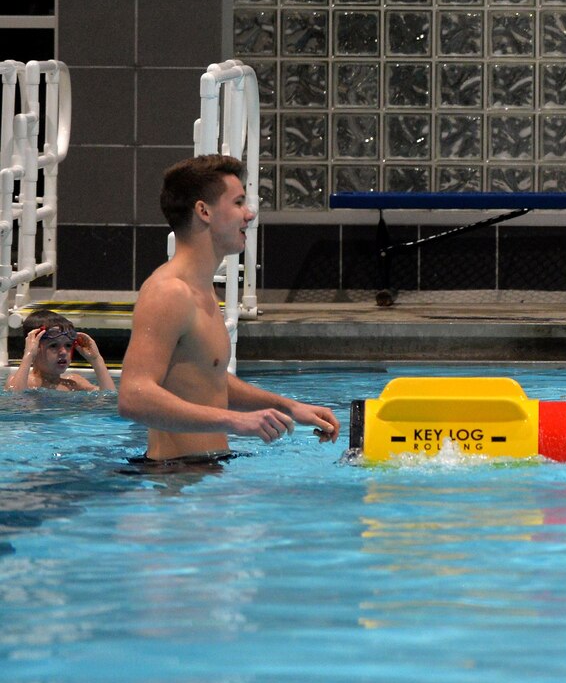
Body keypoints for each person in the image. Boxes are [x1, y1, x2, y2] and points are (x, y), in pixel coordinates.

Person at [118, 155, 339, 460]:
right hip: (176, 483)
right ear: (203, 211)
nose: (248, 215)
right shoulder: (168, 292)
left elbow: (208, 378)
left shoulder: (203, 289)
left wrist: (288, 406)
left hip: (206, 472)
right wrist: (235, 421)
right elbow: (133, 396)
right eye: (237, 203)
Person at [7, 310, 115, 392]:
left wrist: (96, 360)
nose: (63, 352)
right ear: (34, 347)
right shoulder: (25, 382)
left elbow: (108, 397)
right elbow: (16, 399)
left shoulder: (73, 383)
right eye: (53, 345)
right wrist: (29, 355)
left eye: (68, 345)